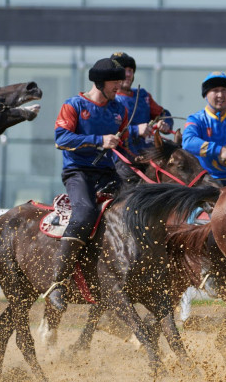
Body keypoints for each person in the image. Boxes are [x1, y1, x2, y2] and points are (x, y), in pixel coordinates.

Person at [49, 57, 150, 312]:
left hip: (108, 172)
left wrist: (137, 158)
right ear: (101, 82)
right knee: (84, 214)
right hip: (78, 173)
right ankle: (58, 283)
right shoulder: (73, 105)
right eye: (116, 81)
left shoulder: (120, 110)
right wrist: (98, 140)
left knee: (134, 212)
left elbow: (122, 142)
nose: (121, 84)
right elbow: (61, 138)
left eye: (121, 80)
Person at [110, 52, 172, 162]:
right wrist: (136, 130)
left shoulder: (143, 95)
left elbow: (163, 114)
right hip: (122, 160)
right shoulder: (108, 99)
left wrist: (165, 125)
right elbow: (107, 129)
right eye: (124, 70)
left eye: (130, 70)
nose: (128, 74)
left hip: (150, 157)